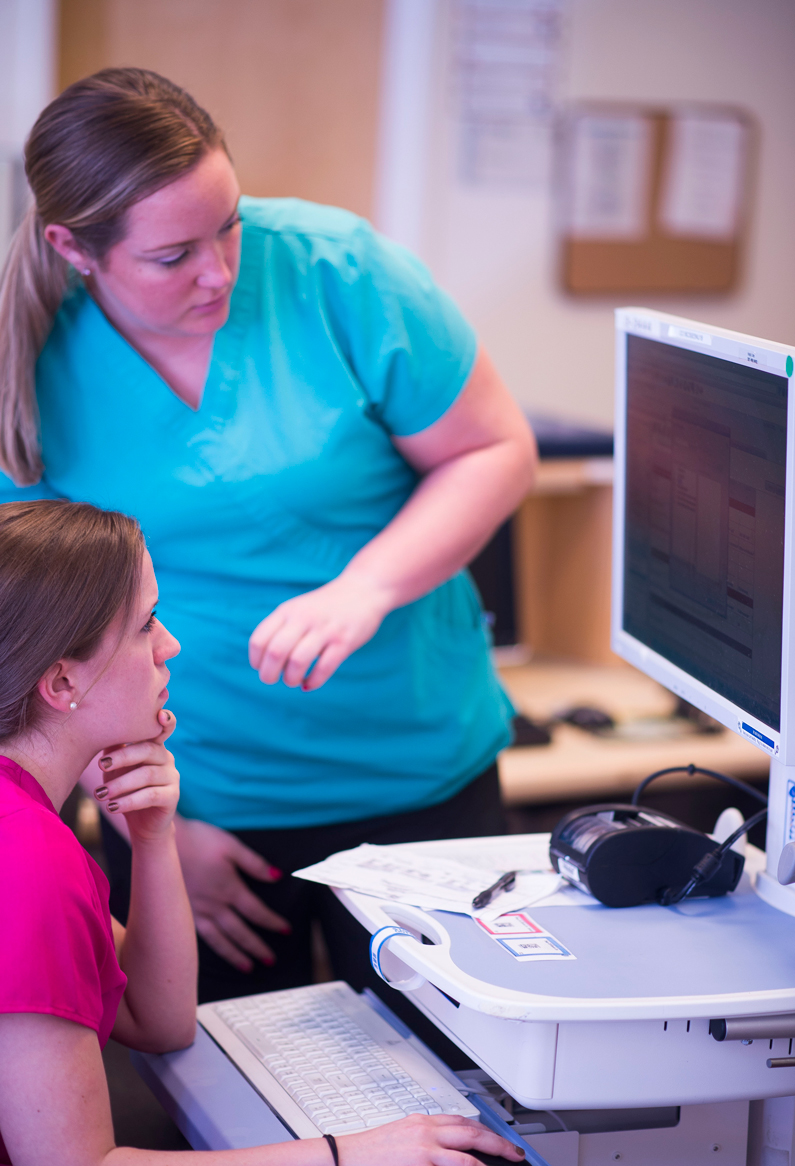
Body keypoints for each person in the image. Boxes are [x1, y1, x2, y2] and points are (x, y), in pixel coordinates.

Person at [0, 68, 537, 1007]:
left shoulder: (336, 270)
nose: (219, 272)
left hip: (418, 779)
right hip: (198, 811)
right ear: (73, 249)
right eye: (173, 256)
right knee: (228, 1104)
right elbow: (28, 640)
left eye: (230, 226)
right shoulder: (28, 353)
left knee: (465, 1093)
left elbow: (493, 449)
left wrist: (362, 588)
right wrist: (151, 834)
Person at [0, 498, 525, 1166]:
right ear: (62, 681)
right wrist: (347, 1154)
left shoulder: (27, 820)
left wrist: (153, 837)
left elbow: (159, 1023)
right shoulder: (25, 856)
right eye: (145, 625)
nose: (170, 646)